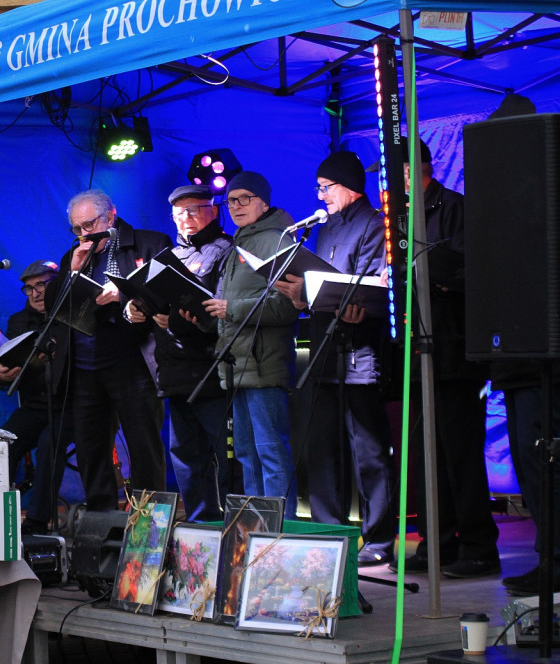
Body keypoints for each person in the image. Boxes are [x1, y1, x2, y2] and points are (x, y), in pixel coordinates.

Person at [275, 151, 396, 563]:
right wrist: (299, 293)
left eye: (325, 187)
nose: (321, 195)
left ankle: (379, 540)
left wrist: (318, 296)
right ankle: (330, 535)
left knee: (369, 450)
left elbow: (369, 285)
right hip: (325, 348)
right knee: (322, 446)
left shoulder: (374, 222)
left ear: (348, 185)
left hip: (361, 348)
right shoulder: (325, 228)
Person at [394, 138, 500, 578]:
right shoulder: (399, 220)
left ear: (420, 168)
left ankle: (478, 545)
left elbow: (477, 272)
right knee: (426, 454)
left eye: (400, 172)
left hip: (455, 349)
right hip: (419, 351)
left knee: (460, 453)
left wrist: (437, 277)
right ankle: (439, 542)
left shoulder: (454, 208)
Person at [46, 189, 172, 512]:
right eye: (77, 229)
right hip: (85, 369)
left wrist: (125, 295)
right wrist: (72, 273)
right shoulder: (75, 253)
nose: (85, 234)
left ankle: (148, 528)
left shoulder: (149, 243)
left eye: (90, 225)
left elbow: (168, 296)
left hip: (132, 364)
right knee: (90, 450)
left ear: (111, 216)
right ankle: (101, 528)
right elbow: (53, 308)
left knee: (143, 447)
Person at [126, 184, 235, 521]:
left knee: (227, 456)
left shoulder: (229, 251)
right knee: (185, 456)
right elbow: (148, 299)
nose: (186, 218)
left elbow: (220, 314)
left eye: (194, 210)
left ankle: (237, 526)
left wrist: (174, 319)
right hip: (174, 373)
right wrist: (132, 308)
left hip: (213, 370)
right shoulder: (165, 257)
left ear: (213, 210)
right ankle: (201, 524)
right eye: (179, 213)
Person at [201, 171, 300, 519]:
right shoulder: (238, 245)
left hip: (264, 364)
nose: (237, 206)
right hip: (238, 365)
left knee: (271, 452)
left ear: (264, 201)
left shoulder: (276, 240)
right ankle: (257, 531)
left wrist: (231, 310)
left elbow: (288, 304)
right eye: (231, 200)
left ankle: (282, 534)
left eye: (245, 198)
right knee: (246, 453)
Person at [0, 259, 77, 534]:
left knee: (49, 445)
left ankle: (39, 522)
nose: (36, 293)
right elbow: (8, 360)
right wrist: (0, 372)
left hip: (71, 404)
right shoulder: (19, 321)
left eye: (42, 285)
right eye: (29, 288)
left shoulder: (73, 314)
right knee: (2, 444)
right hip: (36, 404)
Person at [491, 362, 560, 594]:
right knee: (527, 463)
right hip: (515, 367)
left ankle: (555, 560)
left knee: (542, 460)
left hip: (540, 365)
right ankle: (549, 560)